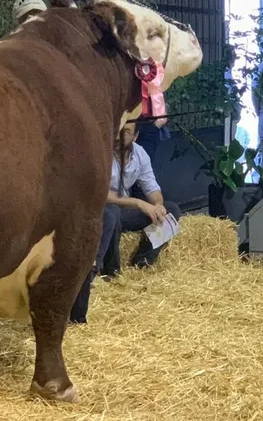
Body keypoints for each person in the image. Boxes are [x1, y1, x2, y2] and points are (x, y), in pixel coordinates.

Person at [69, 121, 181, 324]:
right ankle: (105, 272)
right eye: (118, 131)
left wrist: (158, 205)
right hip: (100, 208)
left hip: (125, 210)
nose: (120, 136)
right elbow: (100, 194)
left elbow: (152, 187)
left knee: (172, 210)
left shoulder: (140, 154)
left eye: (127, 132)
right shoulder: (101, 153)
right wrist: (138, 203)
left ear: (136, 136)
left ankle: (142, 262)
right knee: (110, 214)